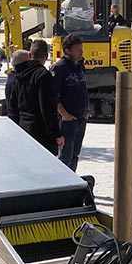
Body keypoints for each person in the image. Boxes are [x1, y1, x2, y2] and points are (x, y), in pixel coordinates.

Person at [7, 40, 64, 155]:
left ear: (30, 55)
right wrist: (56, 134)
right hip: (41, 133)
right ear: (46, 57)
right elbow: (47, 108)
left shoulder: (18, 75)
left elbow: (12, 106)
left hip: (23, 128)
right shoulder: (43, 76)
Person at [51, 34, 89, 171]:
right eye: (78, 49)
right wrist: (64, 114)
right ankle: (62, 187)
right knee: (65, 158)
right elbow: (52, 96)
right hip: (67, 122)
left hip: (80, 119)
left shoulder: (79, 66)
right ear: (67, 50)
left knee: (75, 155)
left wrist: (86, 111)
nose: (81, 52)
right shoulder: (59, 68)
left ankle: (73, 185)